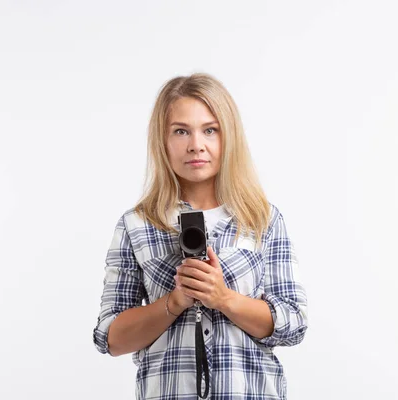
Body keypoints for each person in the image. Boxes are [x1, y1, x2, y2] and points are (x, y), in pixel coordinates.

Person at [93, 72, 308, 399]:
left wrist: (223, 298)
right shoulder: (137, 224)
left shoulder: (263, 219)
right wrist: (175, 302)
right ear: (162, 140)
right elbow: (111, 337)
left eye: (210, 130)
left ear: (228, 137)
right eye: (181, 131)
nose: (196, 145)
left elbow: (293, 323)